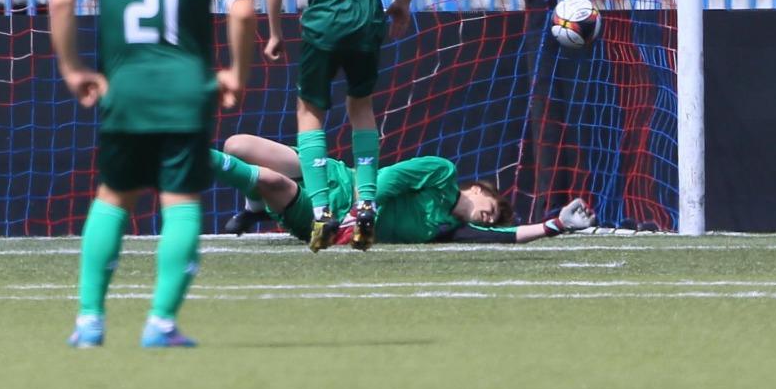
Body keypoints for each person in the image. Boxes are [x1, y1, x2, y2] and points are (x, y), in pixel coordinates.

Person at [49, 0, 256, 349]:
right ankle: (160, 323)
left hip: (125, 91)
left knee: (113, 197)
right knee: (180, 200)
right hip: (187, 93)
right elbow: (242, 7)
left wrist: (73, 68)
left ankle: (89, 322)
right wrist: (237, 71)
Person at [265, 0, 428, 251]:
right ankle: (366, 204)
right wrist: (403, 3)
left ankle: (321, 210)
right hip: (365, 24)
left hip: (321, 27)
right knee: (361, 108)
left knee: (309, 112)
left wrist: (275, 33)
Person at [212, 133, 597, 246]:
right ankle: (254, 209)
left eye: (490, 219)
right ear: (480, 189)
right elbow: (386, 179)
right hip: (336, 180)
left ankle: (190, 156)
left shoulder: (444, 229)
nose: (488, 216)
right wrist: (360, 213)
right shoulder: (442, 172)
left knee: (270, 180)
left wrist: (557, 225)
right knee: (236, 146)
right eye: (492, 208)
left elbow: (507, 236)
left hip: (320, 217)